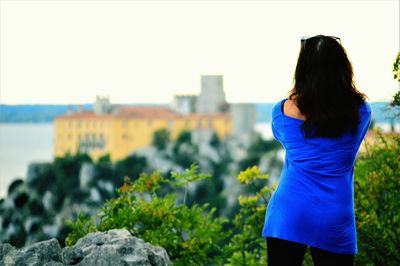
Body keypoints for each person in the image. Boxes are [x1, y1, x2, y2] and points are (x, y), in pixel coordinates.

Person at [262, 35, 371, 266]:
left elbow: (283, 134)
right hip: (335, 214)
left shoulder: (281, 112)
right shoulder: (361, 112)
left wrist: (299, 92)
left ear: (302, 70)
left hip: (289, 212)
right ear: (343, 69)